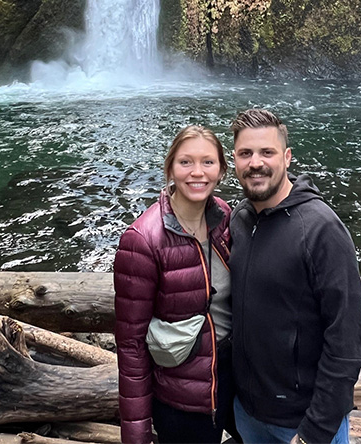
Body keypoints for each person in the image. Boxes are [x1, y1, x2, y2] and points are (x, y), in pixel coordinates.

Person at [229, 109, 361, 444]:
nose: (255, 163)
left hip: (301, 424)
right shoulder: (239, 219)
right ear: (233, 159)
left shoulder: (321, 229)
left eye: (267, 152)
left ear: (287, 158)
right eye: (245, 153)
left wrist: (314, 432)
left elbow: (347, 343)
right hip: (248, 414)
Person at [114, 125, 237, 444]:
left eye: (208, 162)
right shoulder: (142, 240)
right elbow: (130, 345)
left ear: (222, 170)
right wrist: (136, 433)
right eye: (186, 162)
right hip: (182, 398)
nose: (198, 172)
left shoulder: (222, 215)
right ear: (170, 168)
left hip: (232, 378)